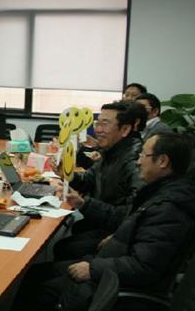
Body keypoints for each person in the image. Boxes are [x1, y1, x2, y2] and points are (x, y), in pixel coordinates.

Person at [12, 133, 195, 311]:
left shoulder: (170, 209)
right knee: (35, 274)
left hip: (117, 293)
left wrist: (93, 268)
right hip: (112, 269)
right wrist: (113, 229)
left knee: (37, 290)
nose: (138, 161)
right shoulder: (163, 192)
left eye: (143, 155)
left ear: (163, 161)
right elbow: (136, 228)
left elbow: (143, 267)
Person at [54, 100, 144, 260]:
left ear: (125, 129)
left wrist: (84, 203)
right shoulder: (111, 150)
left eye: (105, 124)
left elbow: (133, 213)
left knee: (64, 248)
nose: (98, 130)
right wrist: (67, 174)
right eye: (97, 123)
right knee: (68, 238)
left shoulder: (134, 161)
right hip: (102, 220)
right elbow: (89, 178)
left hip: (118, 233)